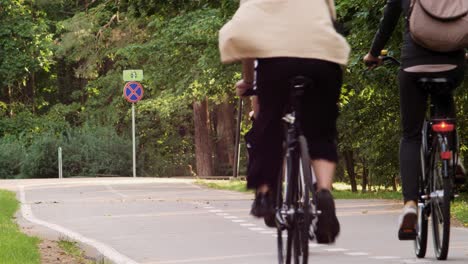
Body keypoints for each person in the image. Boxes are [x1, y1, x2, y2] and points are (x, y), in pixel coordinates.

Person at [220, 0, 350, 243]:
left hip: (277, 61)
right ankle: (323, 191)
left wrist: (248, 82)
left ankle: (266, 193)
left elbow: (247, 38)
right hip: (323, 58)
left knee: (267, 126)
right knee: (322, 129)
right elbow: (331, 21)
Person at [364, 0, 466, 240]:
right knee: (444, 98)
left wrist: (373, 54)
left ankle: (409, 204)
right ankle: (452, 157)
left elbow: (387, 22)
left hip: (413, 67)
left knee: (410, 135)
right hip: (453, 66)